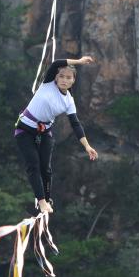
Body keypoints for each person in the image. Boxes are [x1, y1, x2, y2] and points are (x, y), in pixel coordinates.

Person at [15, 56, 99, 214]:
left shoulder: (68, 101)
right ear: (55, 77)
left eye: (68, 78)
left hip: (44, 132)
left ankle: (46, 199)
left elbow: (75, 124)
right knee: (33, 165)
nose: (64, 80)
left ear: (73, 81)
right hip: (25, 130)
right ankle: (41, 202)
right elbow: (56, 64)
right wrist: (79, 62)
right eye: (61, 76)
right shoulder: (47, 84)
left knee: (45, 168)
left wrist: (87, 146)